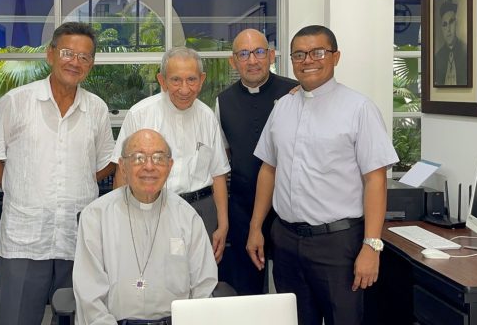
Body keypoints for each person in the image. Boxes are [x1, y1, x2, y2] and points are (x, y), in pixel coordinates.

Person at [246, 25, 398, 325]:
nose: (308, 60)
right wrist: (255, 228)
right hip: (286, 241)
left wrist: (372, 246)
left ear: (335, 57)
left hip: (337, 244)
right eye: (299, 54)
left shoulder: (359, 109)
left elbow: (375, 180)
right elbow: (268, 169)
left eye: (318, 52)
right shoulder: (283, 108)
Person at [0, 22, 116, 325]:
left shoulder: (96, 108)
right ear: (50, 54)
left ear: (91, 64)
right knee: (17, 318)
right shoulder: (17, 101)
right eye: (68, 52)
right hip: (25, 237)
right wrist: (21, 187)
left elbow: (108, 161)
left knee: (74, 317)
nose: (75, 62)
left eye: (84, 57)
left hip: (76, 237)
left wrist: (79, 181)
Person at [74, 129, 218, 325]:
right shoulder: (95, 217)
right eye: (138, 158)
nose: (149, 166)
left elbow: (204, 288)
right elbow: (89, 297)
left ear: (170, 166)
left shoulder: (188, 217)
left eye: (159, 158)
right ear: (123, 167)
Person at [111, 47, 230, 262]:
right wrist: (122, 220)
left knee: (200, 279)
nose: (184, 89)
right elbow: (123, 173)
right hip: (150, 208)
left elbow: (218, 173)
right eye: (176, 80)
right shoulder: (140, 114)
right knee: (152, 276)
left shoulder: (207, 116)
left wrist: (223, 224)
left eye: (192, 80)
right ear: (162, 80)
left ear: (202, 80)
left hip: (201, 210)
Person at [215, 29, 298, 295]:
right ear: (233, 61)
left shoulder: (293, 93)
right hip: (242, 208)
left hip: (288, 209)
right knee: (248, 288)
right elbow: (224, 154)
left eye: (259, 52)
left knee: (290, 288)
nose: (252, 60)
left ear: (271, 55)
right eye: (243, 54)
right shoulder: (223, 101)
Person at [434, 0, 468, 86]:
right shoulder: (438, 57)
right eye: (444, 25)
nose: (448, 29)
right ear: (441, 28)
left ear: (456, 23)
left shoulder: (467, 52)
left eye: (451, 22)